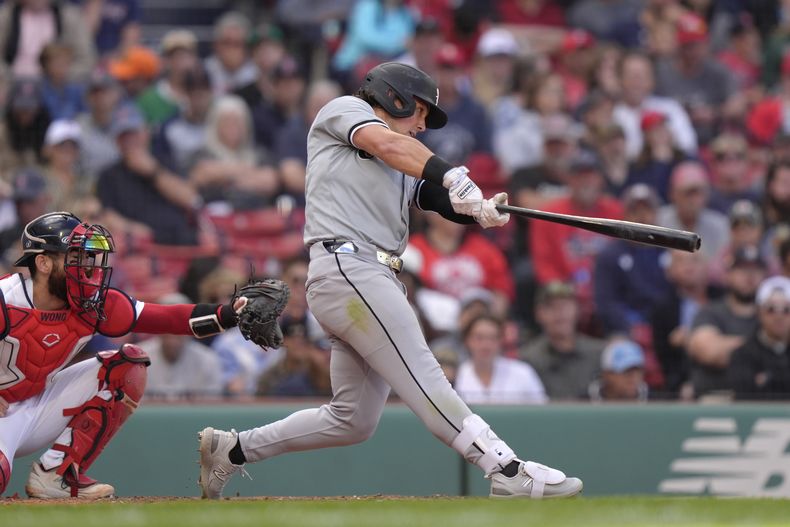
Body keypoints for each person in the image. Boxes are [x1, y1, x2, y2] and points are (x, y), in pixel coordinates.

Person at [198, 62, 583, 500]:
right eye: (420, 111)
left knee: (352, 419)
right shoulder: (345, 110)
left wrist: (476, 209)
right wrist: (452, 174)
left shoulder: (400, 156)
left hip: (363, 275)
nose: (422, 125)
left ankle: (232, 449)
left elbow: (431, 195)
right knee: (425, 375)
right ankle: (506, 468)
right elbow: (387, 145)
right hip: (350, 268)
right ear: (392, 96)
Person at [0, 211, 262, 498]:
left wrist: (228, 315)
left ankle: (57, 473)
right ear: (43, 263)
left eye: (88, 257)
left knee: (127, 366)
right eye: (75, 257)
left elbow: (165, 318)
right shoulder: (5, 299)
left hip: (39, 402)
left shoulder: (92, 304)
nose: (86, 267)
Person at [520, 281, 605, 400]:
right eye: (551, 307)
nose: (560, 312)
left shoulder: (599, 354)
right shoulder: (528, 359)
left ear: (577, 309)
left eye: (566, 305)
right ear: (538, 313)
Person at [455, 314, 547, 405]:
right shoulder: (457, 375)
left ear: (501, 341)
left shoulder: (523, 373)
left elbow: (542, 409)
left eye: (492, 338)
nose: (486, 345)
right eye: (479, 338)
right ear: (467, 340)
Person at [728, 276, 790, 400]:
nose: (779, 316)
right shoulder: (742, 355)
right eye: (771, 309)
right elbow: (745, 395)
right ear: (759, 312)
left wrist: (767, 378)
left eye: (786, 310)